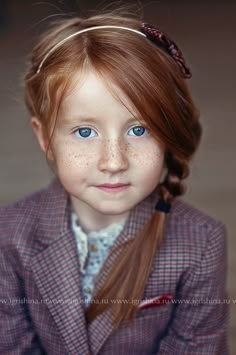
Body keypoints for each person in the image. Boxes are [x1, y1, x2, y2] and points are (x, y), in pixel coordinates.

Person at [0, 8, 228, 354]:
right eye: (85, 131)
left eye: (139, 129)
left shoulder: (200, 243)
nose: (113, 161)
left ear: (167, 134)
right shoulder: (10, 235)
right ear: (45, 137)